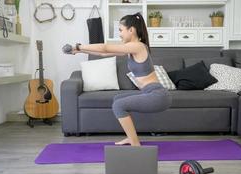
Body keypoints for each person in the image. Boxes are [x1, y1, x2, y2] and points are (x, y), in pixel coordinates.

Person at [68, 12, 172, 146]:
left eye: (120, 30)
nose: (120, 34)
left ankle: (135, 144)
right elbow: (102, 52)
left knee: (118, 105)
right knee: (117, 99)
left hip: (157, 95)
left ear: (131, 30)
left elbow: (105, 47)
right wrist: (80, 51)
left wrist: (79, 46)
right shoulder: (131, 49)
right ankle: (131, 137)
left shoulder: (138, 46)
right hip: (150, 93)